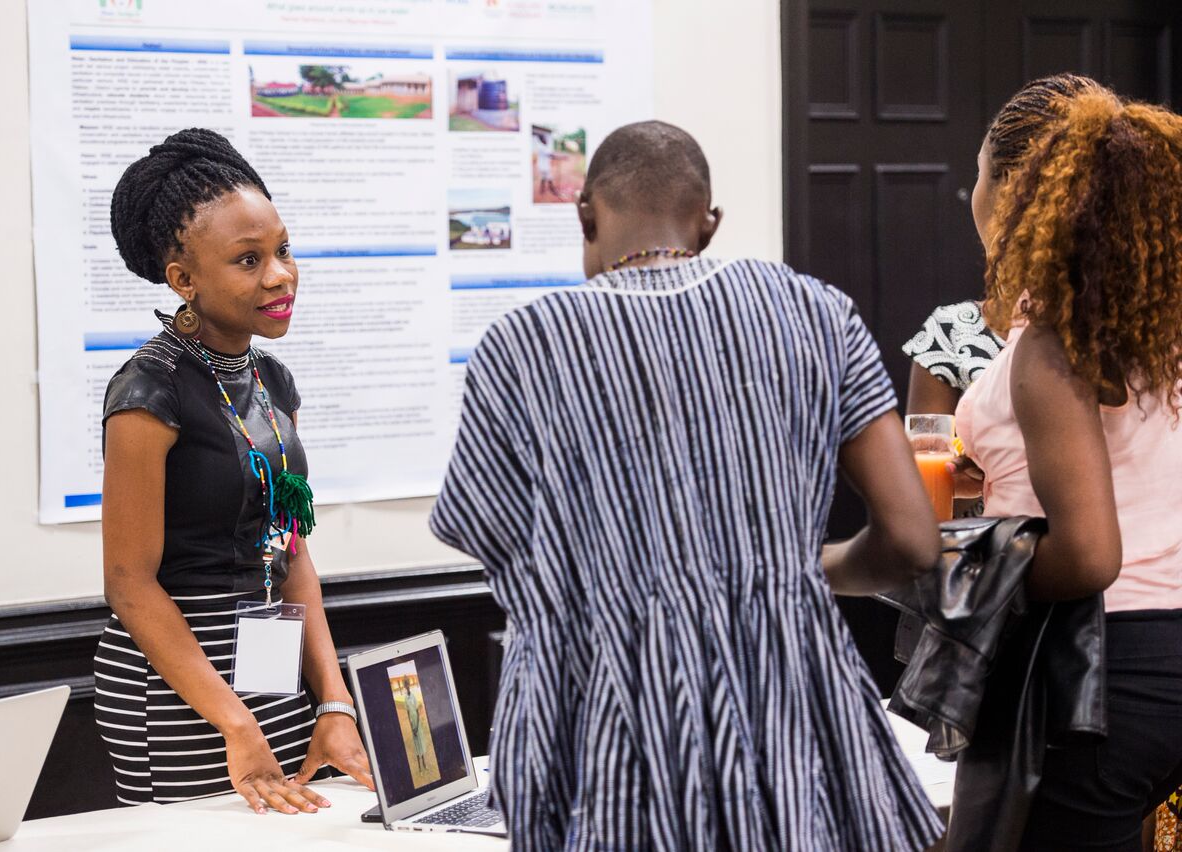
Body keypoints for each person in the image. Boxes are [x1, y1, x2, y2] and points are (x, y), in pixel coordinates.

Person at [430, 120, 943, 850]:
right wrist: (792, 570)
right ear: (710, 225)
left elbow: (506, 555)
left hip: (611, 732)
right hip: (789, 712)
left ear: (585, 215)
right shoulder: (819, 314)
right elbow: (914, 542)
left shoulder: (520, 348)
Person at [96, 128, 373, 814]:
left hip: (269, 668)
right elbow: (128, 584)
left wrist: (332, 699)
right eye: (248, 260)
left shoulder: (273, 382)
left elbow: (290, 549)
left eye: (282, 250)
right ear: (184, 279)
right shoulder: (148, 391)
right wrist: (234, 721)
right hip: (179, 688)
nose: (279, 274)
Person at [954, 87, 1182, 850]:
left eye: (979, 172)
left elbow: (1088, 554)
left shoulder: (1054, 340)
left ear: (1018, 192)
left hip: (1103, 668)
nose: (971, 194)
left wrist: (966, 567)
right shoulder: (1155, 325)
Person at [903, 74, 1103, 419]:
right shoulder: (1156, 337)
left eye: (979, 170)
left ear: (1010, 188)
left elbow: (923, 467)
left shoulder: (954, 335)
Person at [404, 683, 428, 772]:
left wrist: (417, 727)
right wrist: (412, 728)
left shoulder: (413, 697)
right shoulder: (405, 698)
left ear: (409, 686)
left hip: (417, 724)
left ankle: (424, 764)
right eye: (405, 686)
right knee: (416, 745)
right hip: (412, 724)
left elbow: (417, 712)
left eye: (408, 686)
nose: (407, 687)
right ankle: (420, 768)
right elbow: (407, 713)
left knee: (421, 743)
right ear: (405, 687)